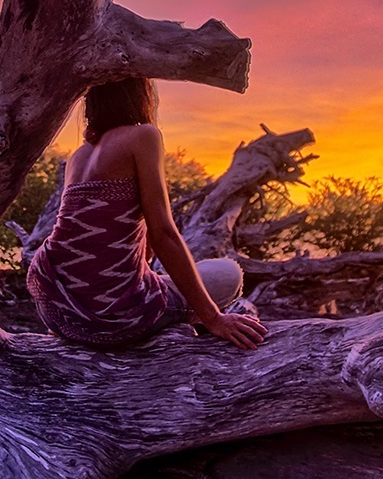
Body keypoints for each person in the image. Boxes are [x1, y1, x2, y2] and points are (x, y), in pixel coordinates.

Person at [26, 77, 267, 351]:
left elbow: (87, 233)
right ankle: (191, 322)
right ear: (141, 93)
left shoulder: (78, 156)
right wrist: (214, 319)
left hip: (58, 310)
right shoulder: (142, 136)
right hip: (113, 318)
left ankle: (173, 315)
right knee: (229, 273)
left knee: (167, 277)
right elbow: (163, 233)